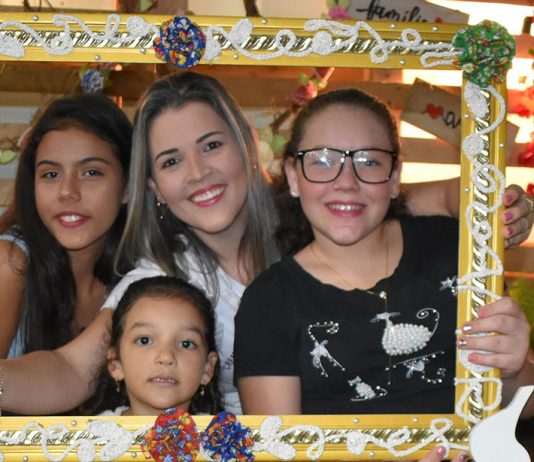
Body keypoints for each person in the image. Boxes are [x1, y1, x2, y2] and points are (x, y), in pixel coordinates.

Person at [0, 73, 532, 418]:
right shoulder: (163, 279)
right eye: (171, 161)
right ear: (155, 188)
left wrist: (493, 207)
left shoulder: (318, 209)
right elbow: (74, 369)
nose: (198, 173)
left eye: (212, 145)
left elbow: (403, 195)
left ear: (247, 147)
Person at [234, 88, 533, 416]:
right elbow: (278, 442)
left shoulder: (455, 249)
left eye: (369, 161)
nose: (346, 182)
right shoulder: (268, 302)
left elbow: (523, 406)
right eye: (323, 161)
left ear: (394, 177)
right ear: (293, 176)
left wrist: (511, 370)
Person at [0, 94, 131, 359]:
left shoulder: (142, 272)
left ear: (128, 187)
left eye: (91, 172)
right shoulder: (10, 262)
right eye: (51, 174)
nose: (67, 192)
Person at [85, 276, 220, 416]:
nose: (166, 357)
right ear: (116, 364)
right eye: (144, 340)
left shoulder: (222, 430)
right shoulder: (91, 430)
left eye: (186, 344)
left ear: (207, 368)